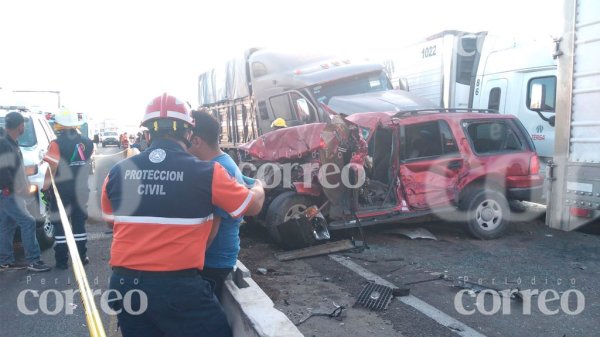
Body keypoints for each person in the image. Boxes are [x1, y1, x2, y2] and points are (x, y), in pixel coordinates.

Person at [101, 93, 265, 337]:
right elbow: (251, 206)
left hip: (124, 288)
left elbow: (111, 219)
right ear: (188, 134)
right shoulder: (209, 172)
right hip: (177, 289)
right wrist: (259, 187)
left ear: (147, 134)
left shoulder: (117, 172)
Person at [188, 109, 258, 298]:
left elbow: (212, 230)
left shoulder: (218, 169)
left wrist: (188, 264)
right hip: (218, 258)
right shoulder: (224, 162)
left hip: (212, 262)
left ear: (196, 141)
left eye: (184, 138)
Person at [43, 108, 94, 270]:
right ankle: (81, 256)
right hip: (80, 190)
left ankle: (62, 260)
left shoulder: (56, 144)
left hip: (61, 192)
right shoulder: (87, 142)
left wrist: (45, 187)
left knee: (61, 225)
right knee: (79, 224)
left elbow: (52, 167)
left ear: (59, 124)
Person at [0, 112, 51, 272]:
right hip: (10, 192)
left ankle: (5, 261)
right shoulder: (4, 144)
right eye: (23, 125)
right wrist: (14, 188)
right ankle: (34, 261)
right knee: (28, 222)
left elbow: (15, 169)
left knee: (8, 225)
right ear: (20, 126)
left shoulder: (10, 142)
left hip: (11, 191)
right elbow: (3, 171)